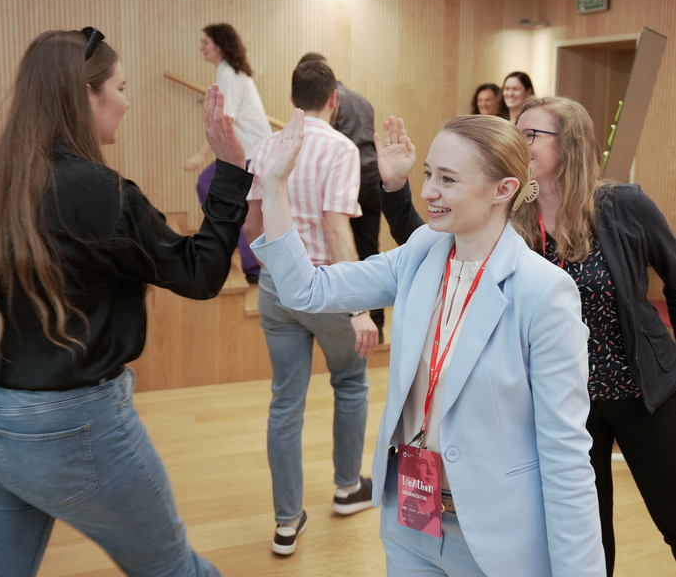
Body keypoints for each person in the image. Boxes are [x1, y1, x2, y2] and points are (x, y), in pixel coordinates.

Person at [0, 28, 252, 577]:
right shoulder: (100, 192)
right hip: (64, 432)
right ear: (86, 95)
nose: (127, 102)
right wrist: (230, 171)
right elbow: (200, 273)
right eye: (120, 87)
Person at [250, 110, 605, 576]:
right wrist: (275, 189)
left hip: (496, 537)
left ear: (504, 190)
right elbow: (306, 290)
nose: (430, 191)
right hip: (410, 521)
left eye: (449, 179)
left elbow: (565, 454)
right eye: (429, 174)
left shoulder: (544, 292)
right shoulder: (422, 251)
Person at [515, 96, 676, 576]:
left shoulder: (624, 205)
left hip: (640, 390)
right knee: (583, 538)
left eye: (530, 135)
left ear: (570, 144)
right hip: (565, 406)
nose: (517, 142)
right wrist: (397, 188)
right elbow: (434, 238)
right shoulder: (513, 216)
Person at [244, 59, 379, 556]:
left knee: (285, 403)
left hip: (278, 291)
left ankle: (286, 523)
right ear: (335, 99)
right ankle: (347, 489)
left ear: (293, 98)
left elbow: (253, 221)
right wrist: (360, 308)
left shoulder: (266, 146)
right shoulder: (340, 148)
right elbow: (336, 228)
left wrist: (274, 270)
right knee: (350, 381)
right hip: (323, 289)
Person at [297, 52, 387, 343]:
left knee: (343, 243)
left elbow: (329, 144)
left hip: (350, 180)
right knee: (369, 250)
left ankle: (354, 314)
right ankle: (378, 322)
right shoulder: (362, 100)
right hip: (374, 180)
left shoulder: (332, 107)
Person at [185, 23, 272, 283]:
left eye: (206, 42)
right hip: (249, 151)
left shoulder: (230, 75)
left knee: (224, 196)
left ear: (220, 46)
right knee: (235, 204)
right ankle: (243, 252)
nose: (201, 47)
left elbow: (224, 121)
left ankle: (254, 268)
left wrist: (201, 156)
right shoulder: (229, 72)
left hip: (252, 152)